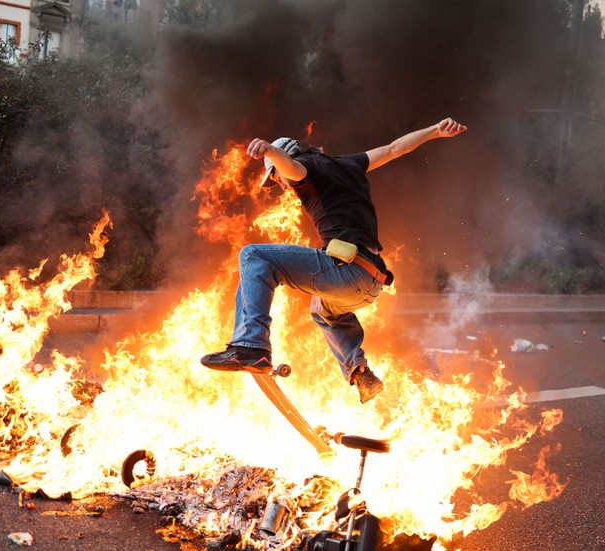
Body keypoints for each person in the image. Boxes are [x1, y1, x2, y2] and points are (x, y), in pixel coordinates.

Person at [200, 117, 468, 403]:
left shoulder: (304, 170)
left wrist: (270, 152)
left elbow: (292, 168)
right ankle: (361, 373)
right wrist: (434, 130)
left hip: (347, 271)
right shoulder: (350, 164)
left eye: (276, 178)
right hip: (370, 280)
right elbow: (394, 148)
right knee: (323, 310)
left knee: (253, 256)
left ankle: (251, 346)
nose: (282, 185)